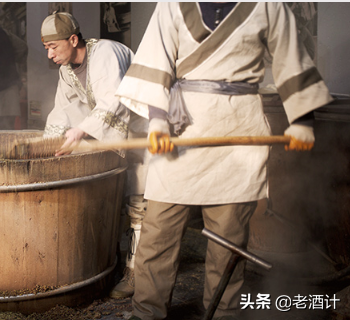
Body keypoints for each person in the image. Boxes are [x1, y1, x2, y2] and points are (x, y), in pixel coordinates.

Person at [115, 3, 333, 320]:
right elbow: (156, 57)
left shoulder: (267, 4)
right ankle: (147, 311)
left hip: (239, 127)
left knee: (229, 237)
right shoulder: (173, 4)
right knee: (158, 230)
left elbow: (290, 55)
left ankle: (224, 313)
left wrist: (302, 118)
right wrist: (158, 120)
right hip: (182, 128)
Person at [40, 11, 147, 299]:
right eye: (46, 48)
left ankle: (136, 273)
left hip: (142, 129)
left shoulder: (106, 54)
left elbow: (115, 100)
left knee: (139, 200)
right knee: (114, 198)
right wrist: (47, 146)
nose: (50, 55)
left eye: (53, 47)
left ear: (73, 39)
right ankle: (110, 264)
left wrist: (81, 131)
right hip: (112, 134)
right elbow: (62, 108)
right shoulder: (67, 70)